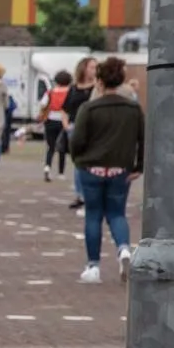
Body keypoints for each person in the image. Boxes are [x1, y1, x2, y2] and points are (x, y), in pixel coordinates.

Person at [70, 56, 144, 284]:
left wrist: (79, 161)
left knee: (93, 216)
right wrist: (138, 166)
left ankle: (93, 267)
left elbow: (77, 141)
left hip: (91, 168)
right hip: (120, 169)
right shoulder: (133, 109)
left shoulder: (89, 109)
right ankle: (123, 249)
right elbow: (142, 139)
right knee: (116, 213)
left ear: (99, 82)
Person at [60, 58, 96, 211]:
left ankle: (90, 194)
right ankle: (80, 194)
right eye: (92, 67)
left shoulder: (97, 88)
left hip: (92, 128)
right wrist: (66, 125)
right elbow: (65, 108)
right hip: (75, 127)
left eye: (96, 67)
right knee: (78, 162)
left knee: (90, 161)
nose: (94, 70)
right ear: (84, 69)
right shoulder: (74, 88)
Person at [41, 70, 72, 181]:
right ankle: (61, 172)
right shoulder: (70, 92)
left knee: (51, 147)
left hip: (50, 120)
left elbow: (43, 104)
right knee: (62, 147)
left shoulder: (50, 92)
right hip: (64, 120)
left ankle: (47, 167)